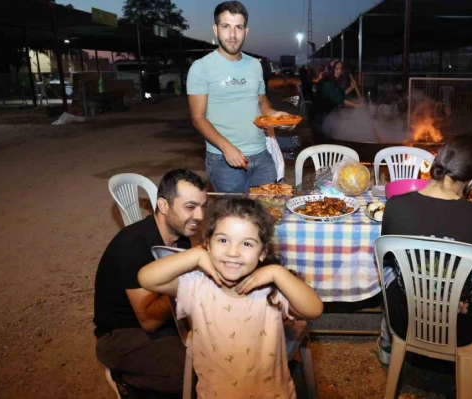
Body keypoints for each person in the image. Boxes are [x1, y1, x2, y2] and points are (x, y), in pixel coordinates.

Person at [138, 197, 323, 398]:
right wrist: (196, 256)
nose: (233, 252)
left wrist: (277, 273)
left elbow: (314, 309)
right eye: (223, 240)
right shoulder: (196, 285)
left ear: (263, 252)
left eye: (247, 243)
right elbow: (147, 279)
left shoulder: (271, 288)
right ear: (208, 244)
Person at [376, 134, 472, 365]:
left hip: (407, 319)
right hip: (460, 328)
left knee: (388, 273)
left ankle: (387, 345)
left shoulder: (394, 206)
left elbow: (391, 263)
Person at [93, 169, 208, 396]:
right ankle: (126, 381)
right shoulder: (134, 246)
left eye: (203, 206)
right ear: (163, 206)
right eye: (190, 207)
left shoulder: (180, 238)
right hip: (121, 335)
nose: (200, 216)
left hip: (167, 324)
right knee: (191, 377)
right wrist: (192, 281)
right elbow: (149, 321)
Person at [187, 1, 293, 193]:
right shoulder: (200, 68)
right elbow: (197, 118)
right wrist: (226, 148)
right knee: (234, 219)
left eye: (239, 27)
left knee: (264, 214)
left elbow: (260, 99)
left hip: (262, 155)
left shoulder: (255, 65)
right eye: (226, 26)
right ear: (215, 29)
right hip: (223, 160)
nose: (233, 35)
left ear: (246, 31)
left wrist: (274, 115)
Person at [308, 59, 362, 144]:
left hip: (326, 116)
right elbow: (340, 100)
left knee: (328, 141)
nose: (339, 71)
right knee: (322, 144)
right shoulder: (327, 84)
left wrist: (351, 88)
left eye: (341, 69)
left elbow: (340, 94)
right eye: (337, 69)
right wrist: (357, 105)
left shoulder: (333, 82)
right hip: (319, 118)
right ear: (331, 69)